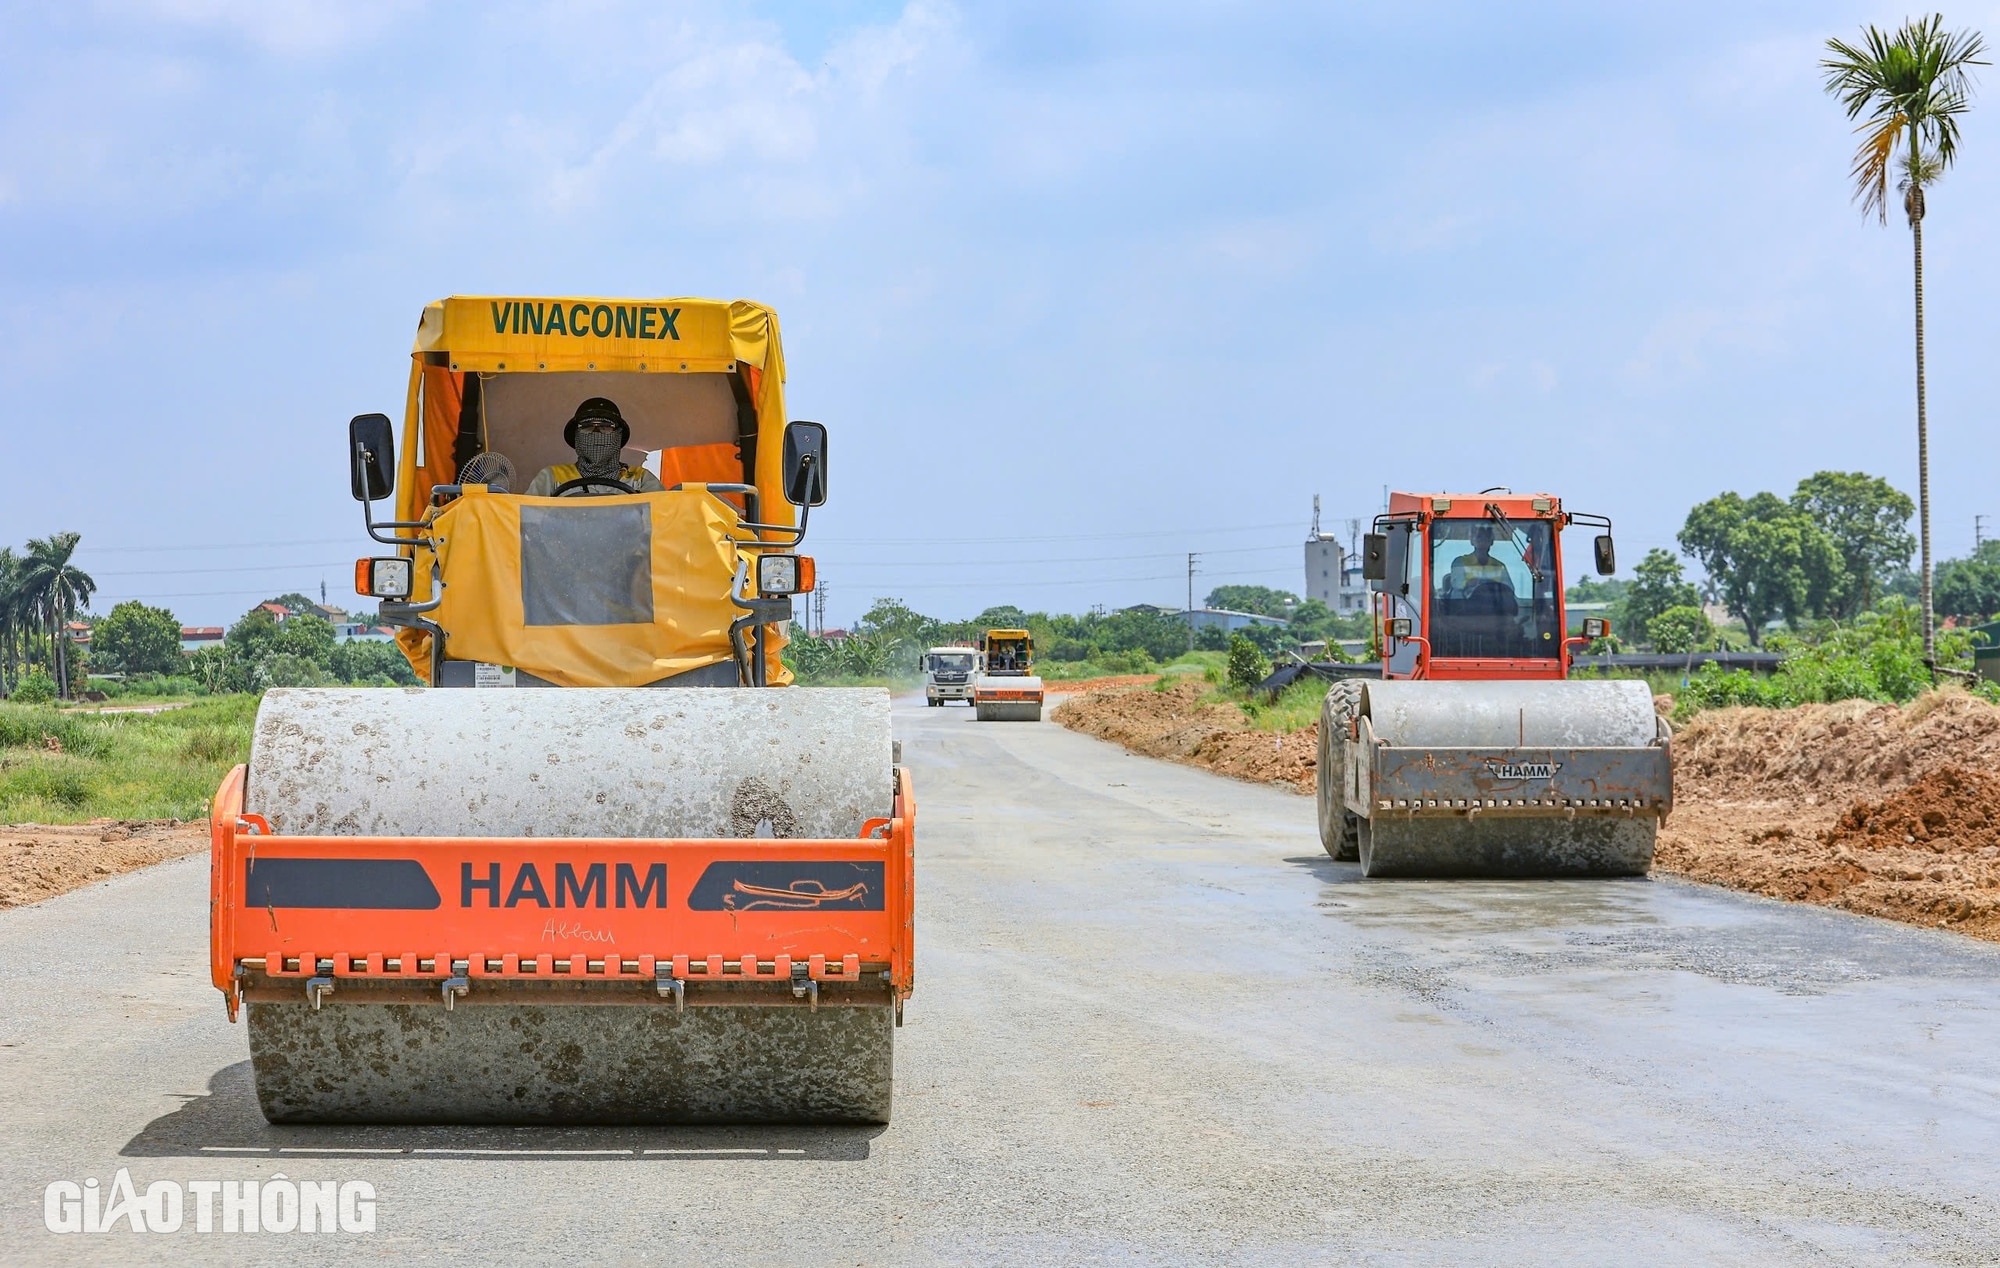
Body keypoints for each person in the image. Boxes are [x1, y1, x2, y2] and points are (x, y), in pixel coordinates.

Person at [525, 398, 665, 497]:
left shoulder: (641, 479)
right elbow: (529, 524)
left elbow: (662, 523)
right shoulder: (551, 477)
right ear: (576, 437)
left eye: (605, 427)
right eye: (587, 427)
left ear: (618, 436)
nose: (596, 432)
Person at [1446, 524, 1514, 596]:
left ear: (1491, 541)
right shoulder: (1460, 562)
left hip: (1493, 605)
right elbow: (1456, 584)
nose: (1483, 541)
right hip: (1466, 605)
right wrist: (1468, 583)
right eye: (1479, 537)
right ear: (1472, 541)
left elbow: (1509, 589)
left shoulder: (1500, 566)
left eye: (1486, 538)